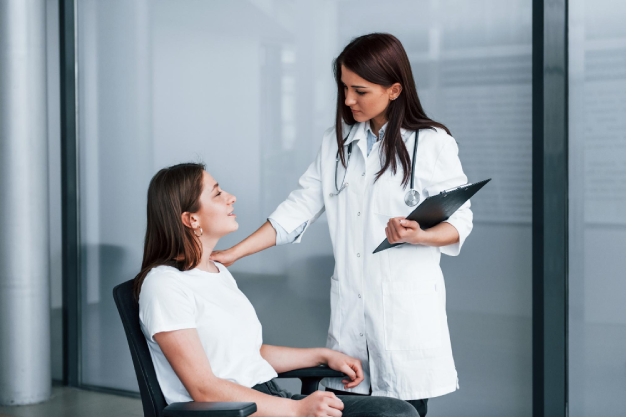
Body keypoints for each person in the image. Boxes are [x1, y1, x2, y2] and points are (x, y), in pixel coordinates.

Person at [210, 33, 474, 417]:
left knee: (404, 410)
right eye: (345, 88)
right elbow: (297, 209)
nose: (348, 100)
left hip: (405, 320)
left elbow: (460, 220)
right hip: (351, 320)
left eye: (360, 90)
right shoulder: (335, 143)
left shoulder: (431, 143)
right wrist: (235, 252)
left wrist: (422, 234)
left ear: (394, 89)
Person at [134, 162, 419, 417]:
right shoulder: (164, 286)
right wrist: (296, 410)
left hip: (268, 399)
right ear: (191, 219)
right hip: (236, 412)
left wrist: (321, 355)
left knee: (396, 411)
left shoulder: (216, 272)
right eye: (218, 193)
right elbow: (204, 389)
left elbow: (246, 355)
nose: (231, 197)